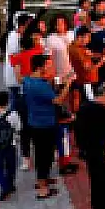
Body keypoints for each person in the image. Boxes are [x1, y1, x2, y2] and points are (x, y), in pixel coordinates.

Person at [22, 54, 74, 199]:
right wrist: (68, 84)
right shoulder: (40, 85)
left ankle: (43, 179)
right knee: (44, 155)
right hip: (44, 124)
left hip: (36, 122)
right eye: (48, 65)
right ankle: (43, 188)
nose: (51, 67)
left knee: (42, 154)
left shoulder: (28, 80)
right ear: (40, 67)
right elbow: (57, 100)